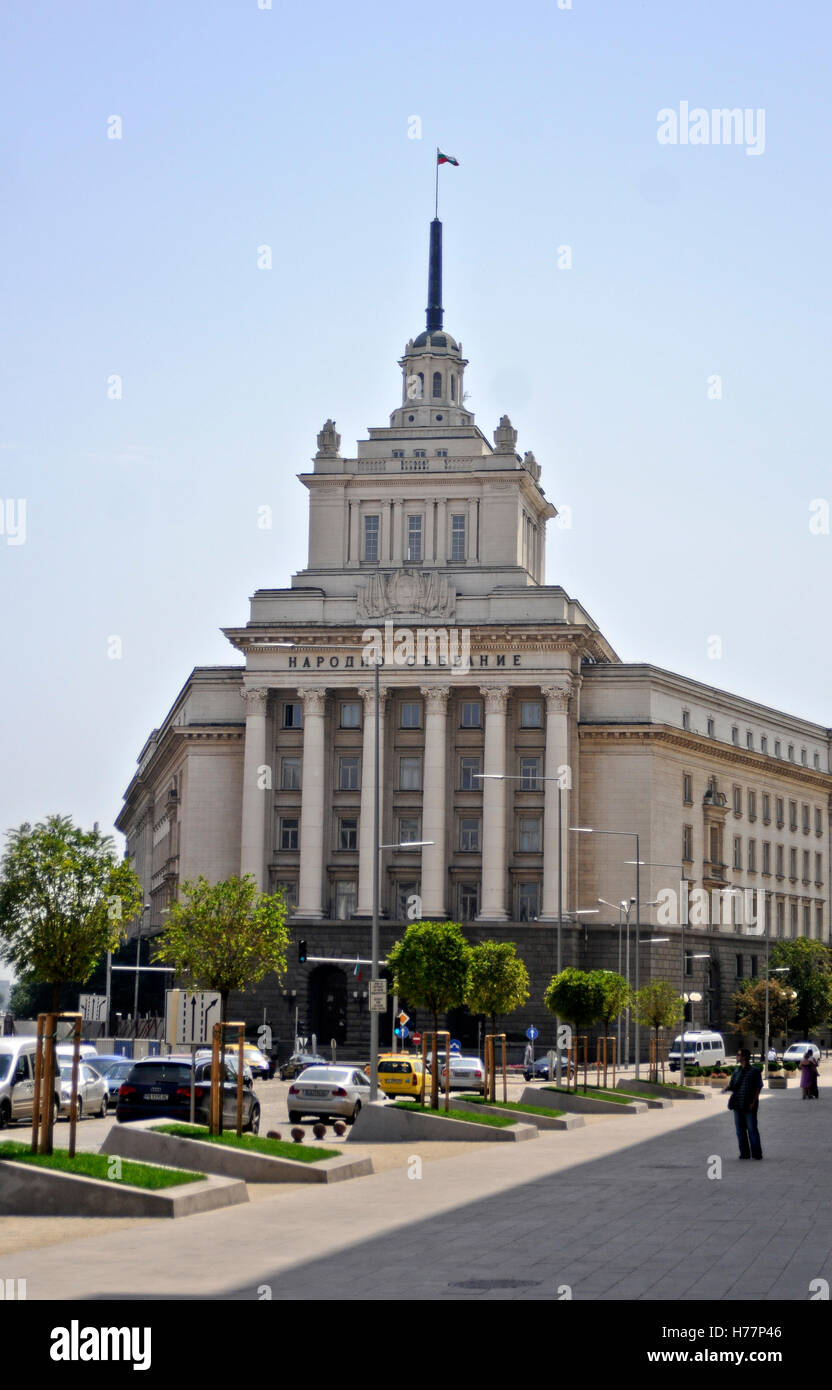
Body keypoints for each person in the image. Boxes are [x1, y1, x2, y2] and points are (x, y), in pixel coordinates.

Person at [726, 1048, 763, 1159]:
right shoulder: (736, 1071)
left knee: (752, 1129)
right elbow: (732, 1085)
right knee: (740, 1131)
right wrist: (726, 1088)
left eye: (738, 1055)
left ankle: (756, 1154)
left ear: (744, 1057)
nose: (737, 1057)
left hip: (749, 1104)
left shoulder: (754, 1071)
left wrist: (753, 1101)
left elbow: (758, 1087)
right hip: (737, 1105)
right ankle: (744, 1153)